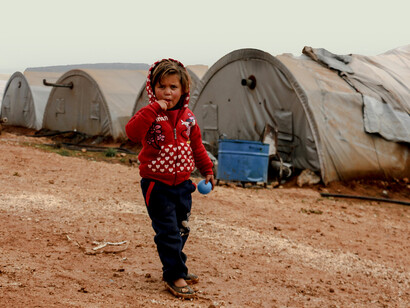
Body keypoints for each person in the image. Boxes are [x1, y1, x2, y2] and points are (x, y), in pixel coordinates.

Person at [125, 58, 215, 299]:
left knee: (182, 229)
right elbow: (131, 133)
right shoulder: (149, 114)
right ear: (152, 89)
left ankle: (176, 265)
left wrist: (207, 169)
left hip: (183, 185)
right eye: (161, 87)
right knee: (167, 232)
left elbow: (197, 146)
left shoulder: (188, 117)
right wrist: (155, 109)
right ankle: (174, 274)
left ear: (183, 90)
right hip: (157, 185)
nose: (167, 92)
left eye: (173, 87)